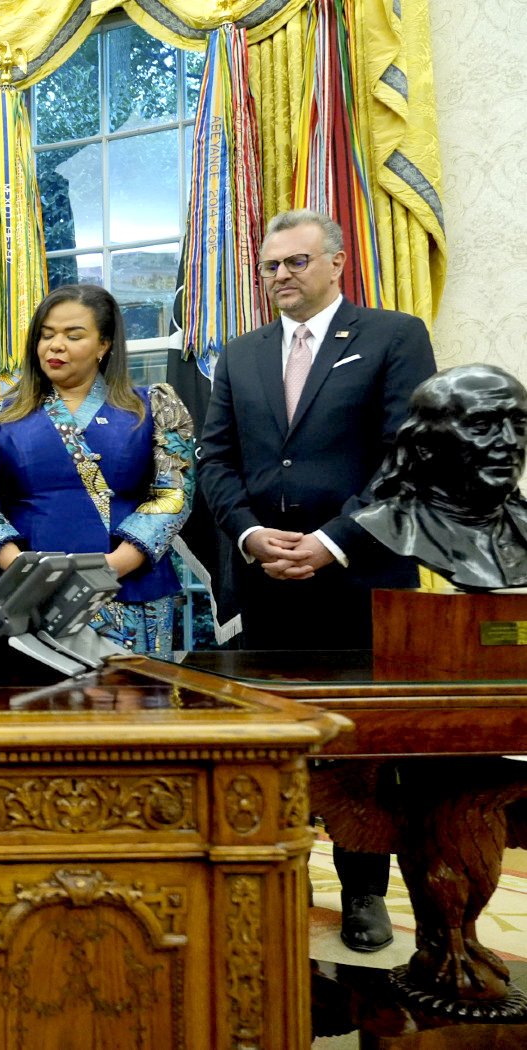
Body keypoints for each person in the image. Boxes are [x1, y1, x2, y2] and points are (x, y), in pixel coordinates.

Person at [197, 208, 437, 953]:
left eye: (296, 261)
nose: (280, 275)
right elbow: (215, 461)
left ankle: (363, 892)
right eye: (271, 265)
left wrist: (333, 542)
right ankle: (284, 875)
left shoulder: (392, 337)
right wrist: (247, 533)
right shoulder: (240, 355)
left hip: (361, 582)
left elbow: (408, 458)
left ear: (336, 263)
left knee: (362, 748)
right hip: (265, 583)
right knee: (275, 741)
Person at [0, 284, 195, 654]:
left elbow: (174, 495)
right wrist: (25, 570)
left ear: (104, 345)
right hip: (24, 595)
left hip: (129, 591)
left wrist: (112, 566)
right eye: (46, 335)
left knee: (131, 690)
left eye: (73, 336)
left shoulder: (155, 406)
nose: (55, 346)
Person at [353, 364, 527, 590]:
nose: (511, 441)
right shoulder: (390, 526)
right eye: (482, 425)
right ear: (424, 444)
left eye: (519, 423)